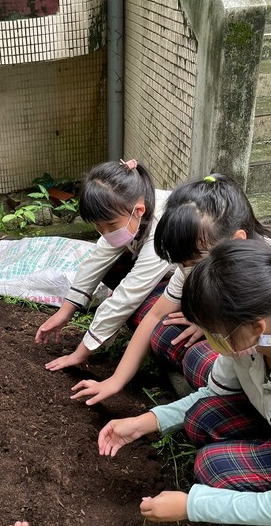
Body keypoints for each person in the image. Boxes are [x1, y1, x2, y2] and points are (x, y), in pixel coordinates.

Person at [98, 239, 271, 526]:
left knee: (214, 470)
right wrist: (145, 422)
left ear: (257, 327)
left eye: (213, 331)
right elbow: (214, 393)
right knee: (204, 416)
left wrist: (192, 505)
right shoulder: (260, 336)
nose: (207, 338)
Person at [71, 173, 271, 404]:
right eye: (182, 264)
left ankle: (261, 412)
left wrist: (216, 325)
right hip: (248, 358)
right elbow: (156, 315)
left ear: (236, 240)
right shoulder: (202, 264)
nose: (187, 271)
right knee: (165, 333)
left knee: (203, 363)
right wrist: (115, 381)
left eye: (192, 263)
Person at [35, 159, 173, 371]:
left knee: (137, 302)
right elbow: (96, 261)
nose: (105, 233)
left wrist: (82, 351)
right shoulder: (130, 206)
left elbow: (128, 295)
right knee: (109, 264)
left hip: (197, 282)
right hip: (167, 275)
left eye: (111, 225)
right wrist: (65, 312)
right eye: (99, 227)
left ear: (139, 210)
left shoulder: (163, 226)